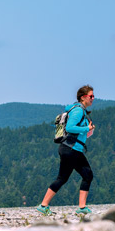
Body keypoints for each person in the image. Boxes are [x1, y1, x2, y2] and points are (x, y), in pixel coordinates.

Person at [37, 85, 96, 215]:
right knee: (87, 175)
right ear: (83, 97)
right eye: (90, 96)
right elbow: (70, 128)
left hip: (69, 148)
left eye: (93, 96)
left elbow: (78, 132)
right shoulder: (78, 111)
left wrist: (88, 130)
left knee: (62, 178)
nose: (93, 98)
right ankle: (81, 208)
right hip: (72, 149)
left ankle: (44, 205)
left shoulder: (81, 111)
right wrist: (87, 129)